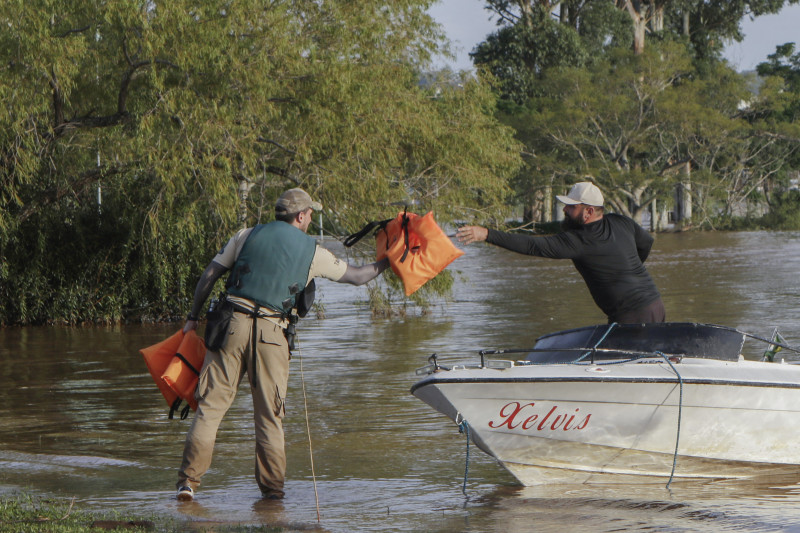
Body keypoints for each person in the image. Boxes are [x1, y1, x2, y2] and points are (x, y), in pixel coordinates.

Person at [176, 187, 389, 502]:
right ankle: (273, 496)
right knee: (270, 416)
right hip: (272, 334)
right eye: (311, 214)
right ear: (301, 216)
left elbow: (210, 275)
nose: (311, 219)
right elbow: (358, 277)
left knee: (210, 409)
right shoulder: (313, 251)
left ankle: (187, 485)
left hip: (230, 327)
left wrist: (192, 318)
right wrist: (389, 261)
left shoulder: (246, 235)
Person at [456, 181, 665, 324]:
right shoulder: (622, 223)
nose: (565, 210)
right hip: (655, 305)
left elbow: (532, 246)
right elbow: (646, 243)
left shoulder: (579, 241)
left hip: (632, 317)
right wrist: (629, 269)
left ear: (589, 212)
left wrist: (487, 234)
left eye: (571, 207)